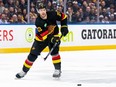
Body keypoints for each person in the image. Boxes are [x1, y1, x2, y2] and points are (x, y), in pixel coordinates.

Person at [15, 2, 68, 79]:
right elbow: (44, 34)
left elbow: (64, 17)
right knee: (32, 55)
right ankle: (24, 71)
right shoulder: (38, 22)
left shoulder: (53, 14)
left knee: (54, 53)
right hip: (41, 40)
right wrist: (53, 39)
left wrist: (64, 26)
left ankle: (57, 70)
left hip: (54, 35)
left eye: (43, 9)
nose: (43, 12)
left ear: (45, 10)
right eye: (40, 10)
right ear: (38, 11)